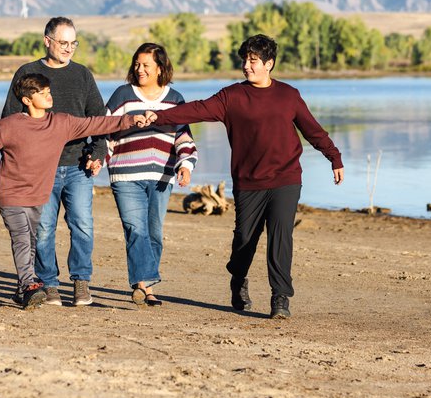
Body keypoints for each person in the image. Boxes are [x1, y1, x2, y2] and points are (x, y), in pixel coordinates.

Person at [147, 34, 344, 319]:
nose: (247, 66)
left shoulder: (289, 95)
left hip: (286, 178)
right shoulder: (232, 97)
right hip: (248, 181)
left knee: (280, 235)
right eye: (245, 60)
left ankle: (280, 298)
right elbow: (198, 109)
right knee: (244, 240)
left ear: (269, 64)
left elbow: (312, 130)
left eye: (253, 61)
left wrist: (333, 157)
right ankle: (238, 279)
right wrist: (158, 115)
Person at [0, 73, 146, 309]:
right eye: (41, 92)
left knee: (33, 242)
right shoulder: (9, 126)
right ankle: (28, 286)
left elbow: (95, 123)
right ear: (26, 99)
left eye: (48, 91)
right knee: (23, 239)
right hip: (12, 195)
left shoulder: (60, 124)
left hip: (39, 196)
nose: (48, 95)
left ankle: (22, 286)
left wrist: (129, 120)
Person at [1, 16, 107, 307]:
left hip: (77, 165)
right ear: (47, 41)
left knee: (82, 224)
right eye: (63, 43)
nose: (69, 48)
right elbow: (9, 123)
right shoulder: (28, 72)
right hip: (39, 170)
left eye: (74, 43)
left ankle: (81, 282)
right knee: (44, 228)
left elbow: (99, 119)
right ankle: (49, 284)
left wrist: (97, 154)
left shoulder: (82, 75)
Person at [105, 43, 198, 307]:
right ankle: (144, 286)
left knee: (154, 232)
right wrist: (99, 157)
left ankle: (145, 283)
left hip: (161, 178)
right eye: (137, 64)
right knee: (136, 229)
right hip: (125, 174)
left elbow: (183, 137)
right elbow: (105, 128)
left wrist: (185, 165)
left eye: (146, 65)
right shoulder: (123, 95)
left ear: (160, 68)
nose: (140, 69)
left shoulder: (174, 99)